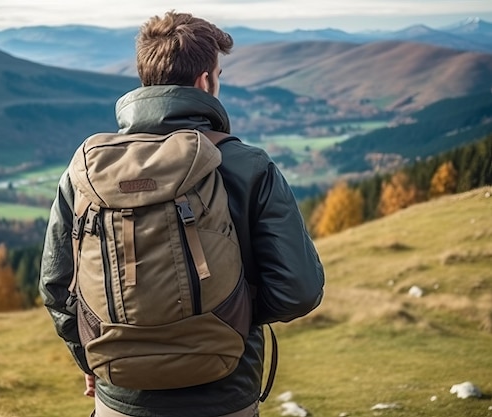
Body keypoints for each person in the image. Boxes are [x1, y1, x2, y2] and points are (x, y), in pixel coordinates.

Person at [39, 10, 325, 417]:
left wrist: (92, 354)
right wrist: (226, 315)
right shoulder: (248, 166)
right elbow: (300, 290)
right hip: (225, 393)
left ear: (146, 80)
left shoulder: (87, 172)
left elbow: (56, 286)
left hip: (121, 396)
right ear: (206, 81)